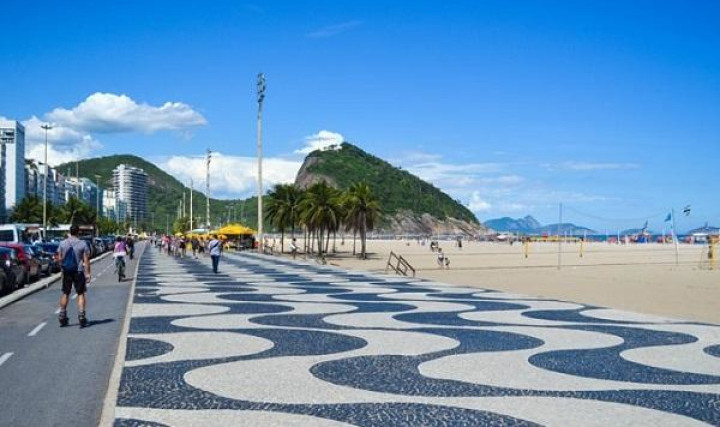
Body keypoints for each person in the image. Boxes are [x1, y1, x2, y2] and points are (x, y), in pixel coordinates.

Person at [56, 225, 91, 327]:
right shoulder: (82, 244)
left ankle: (62, 314)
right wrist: (88, 273)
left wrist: (62, 269)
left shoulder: (62, 243)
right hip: (78, 271)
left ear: (70, 232)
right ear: (78, 232)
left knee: (65, 293)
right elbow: (86, 260)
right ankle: (81, 315)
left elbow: (59, 258)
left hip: (67, 271)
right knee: (80, 293)